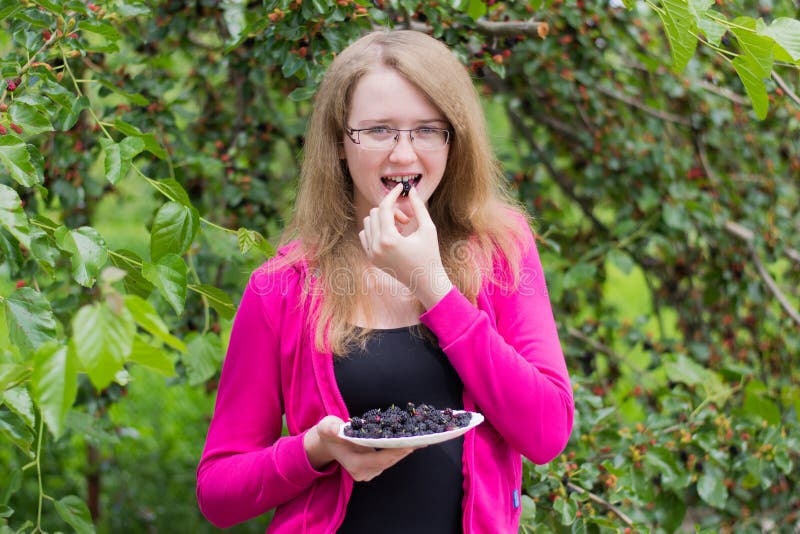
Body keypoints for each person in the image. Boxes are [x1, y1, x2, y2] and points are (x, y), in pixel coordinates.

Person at [196, 29, 574, 533]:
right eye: (378, 131)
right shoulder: (283, 286)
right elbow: (218, 492)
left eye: (426, 130)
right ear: (338, 144)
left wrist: (432, 285)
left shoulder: (501, 252)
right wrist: (314, 449)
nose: (403, 156)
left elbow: (546, 432)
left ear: (453, 140)